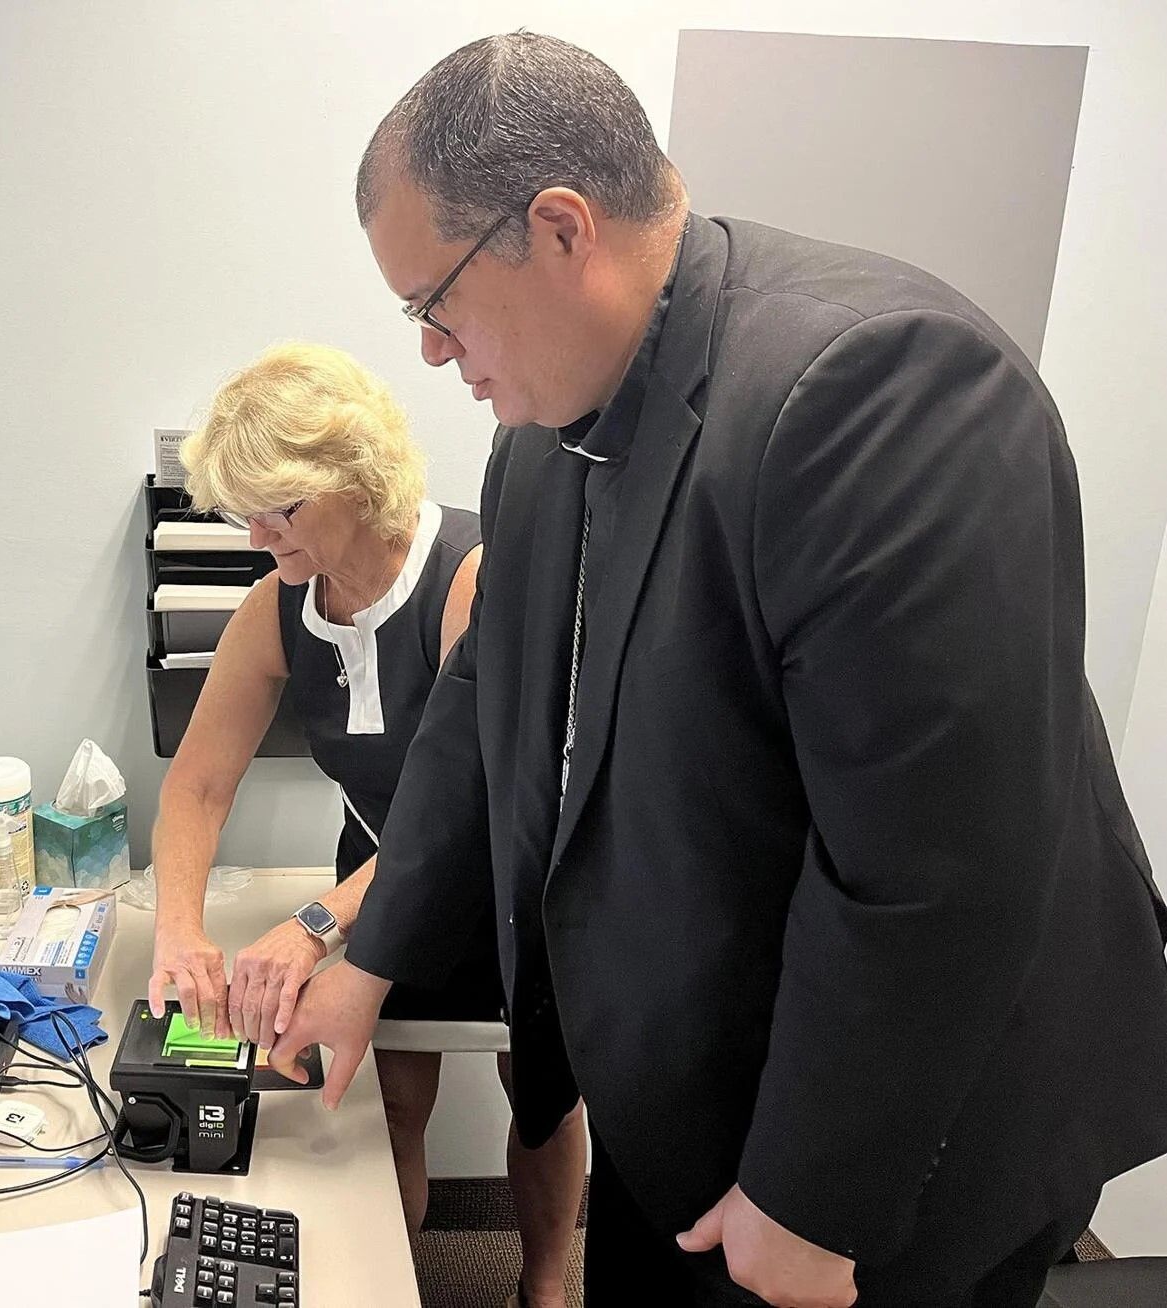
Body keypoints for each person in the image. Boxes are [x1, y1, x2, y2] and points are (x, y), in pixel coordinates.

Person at [268, 32, 1167, 1308]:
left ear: (562, 228)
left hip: (887, 1150)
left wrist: (811, 1195)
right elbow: (482, 713)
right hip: (685, 1108)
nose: (427, 349)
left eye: (434, 302)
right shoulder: (539, 439)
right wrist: (366, 960)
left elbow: (935, 865)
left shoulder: (877, 386)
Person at [146, 342, 585, 1308]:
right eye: (243, 514)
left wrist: (313, 926)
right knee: (390, 1100)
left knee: (540, 1095)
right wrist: (178, 931)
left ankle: (545, 1286)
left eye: (281, 510)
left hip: (510, 873)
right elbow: (199, 787)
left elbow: (466, 803)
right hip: (379, 878)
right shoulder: (278, 606)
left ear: (356, 477)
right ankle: (398, 1283)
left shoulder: (469, 576)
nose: (259, 537)